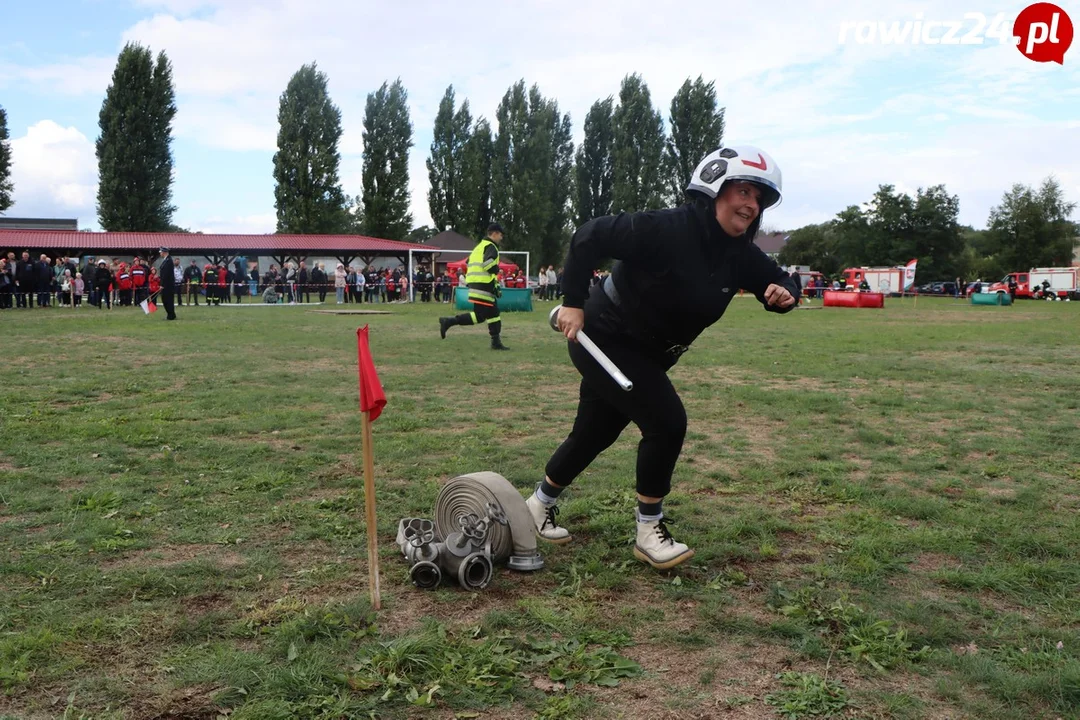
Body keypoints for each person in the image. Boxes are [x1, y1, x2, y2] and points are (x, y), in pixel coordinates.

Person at [528, 145, 800, 570]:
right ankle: (648, 530)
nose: (750, 205)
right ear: (714, 188)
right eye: (743, 191)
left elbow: (781, 280)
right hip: (603, 337)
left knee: (593, 434)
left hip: (651, 355)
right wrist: (572, 302)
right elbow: (589, 236)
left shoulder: (741, 253)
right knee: (667, 423)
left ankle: (537, 506)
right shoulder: (664, 228)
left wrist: (786, 295)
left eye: (758, 198)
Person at [437, 223, 511, 350]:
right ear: (494, 233)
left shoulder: (479, 247)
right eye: (500, 235)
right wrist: (497, 270)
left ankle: (496, 342)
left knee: (494, 313)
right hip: (483, 286)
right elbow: (487, 265)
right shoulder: (491, 246)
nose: (501, 238)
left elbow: (468, 263)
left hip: (477, 284)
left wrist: (494, 284)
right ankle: (449, 321)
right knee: (480, 316)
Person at [158, 248, 177, 320]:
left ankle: (171, 315)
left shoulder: (169, 261)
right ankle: (170, 314)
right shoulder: (166, 260)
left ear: (164, 252)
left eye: (161, 252)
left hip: (167, 285)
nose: (160, 254)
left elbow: (166, 274)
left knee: (168, 300)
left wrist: (162, 285)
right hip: (166, 284)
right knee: (165, 300)